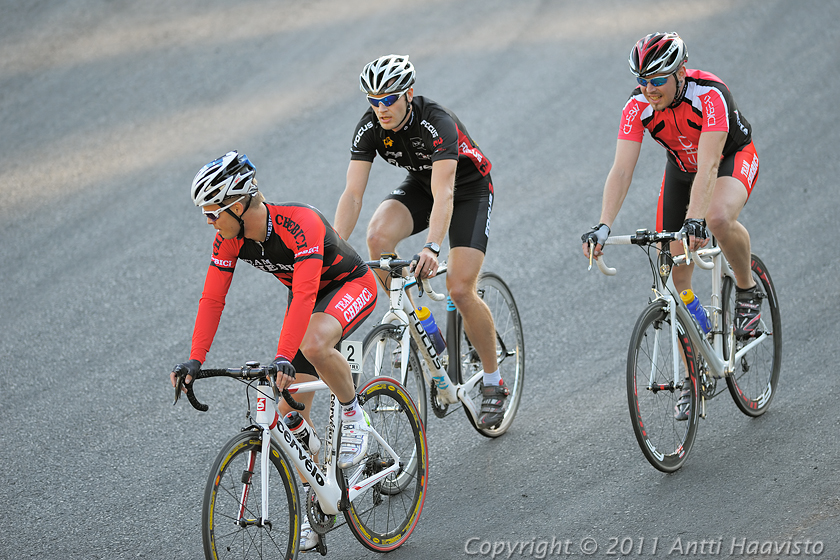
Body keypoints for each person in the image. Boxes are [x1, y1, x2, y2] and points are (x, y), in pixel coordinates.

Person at [169, 151, 378, 551]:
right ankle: (322, 501)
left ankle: (354, 415)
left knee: (313, 343)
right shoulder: (228, 240)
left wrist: (285, 354)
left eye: (213, 212)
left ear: (238, 203)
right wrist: (196, 359)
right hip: (308, 304)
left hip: (349, 285)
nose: (209, 222)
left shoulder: (299, 224)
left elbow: (303, 295)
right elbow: (213, 298)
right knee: (288, 419)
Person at [581, 32, 762, 419]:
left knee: (716, 218)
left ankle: (747, 291)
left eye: (658, 80)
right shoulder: (637, 106)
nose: (649, 89)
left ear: (680, 72)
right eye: (642, 80)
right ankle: (695, 367)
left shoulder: (709, 95)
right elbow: (622, 169)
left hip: (730, 159)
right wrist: (603, 225)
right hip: (681, 172)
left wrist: (695, 221)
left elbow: (711, 165)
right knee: (676, 281)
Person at [334, 54, 508, 429]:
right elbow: (352, 195)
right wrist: (332, 247)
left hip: (466, 190)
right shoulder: (370, 127)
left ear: (408, 93)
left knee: (460, 288)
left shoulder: (436, 122)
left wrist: (431, 246)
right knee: (377, 238)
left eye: (389, 99)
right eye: (373, 100)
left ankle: (494, 381)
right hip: (421, 185)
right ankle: (421, 323)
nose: (380, 108)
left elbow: (445, 192)